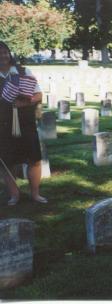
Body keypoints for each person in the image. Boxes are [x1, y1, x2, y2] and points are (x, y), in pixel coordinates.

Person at [0, 41, 48, 205]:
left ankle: (35, 194)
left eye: (5, 52)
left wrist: (25, 103)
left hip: (26, 122)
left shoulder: (23, 71)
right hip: (3, 125)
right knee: (8, 162)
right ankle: (15, 196)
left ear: (9, 53)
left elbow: (39, 95)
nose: (2, 56)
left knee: (33, 159)